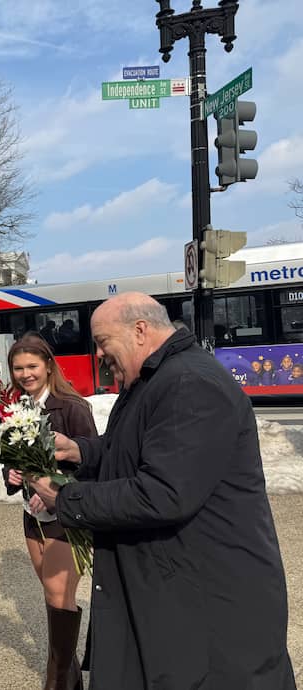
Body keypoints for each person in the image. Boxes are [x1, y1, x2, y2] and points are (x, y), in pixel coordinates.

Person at [28, 292, 295, 690]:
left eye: (102, 342)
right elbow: (138, 448)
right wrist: (80, 452)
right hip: (174, 595)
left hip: (207, 608)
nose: (99, 354)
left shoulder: (190, 383)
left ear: (140, 331)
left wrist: (66, 499)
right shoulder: (155, 379)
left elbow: (163, 492)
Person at [2, 334, 97, 690]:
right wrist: (10, 475)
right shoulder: (16, 408)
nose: (25, 374)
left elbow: (91, 461)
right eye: (18, 368)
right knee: (51, 597)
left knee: (61, 597)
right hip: (32, 516)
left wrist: (55, 490)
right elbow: (11, 457)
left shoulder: (72, 407)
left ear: (48, 366)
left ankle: (55, 681)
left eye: (32, 366)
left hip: (65, 517)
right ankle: (68, 680)